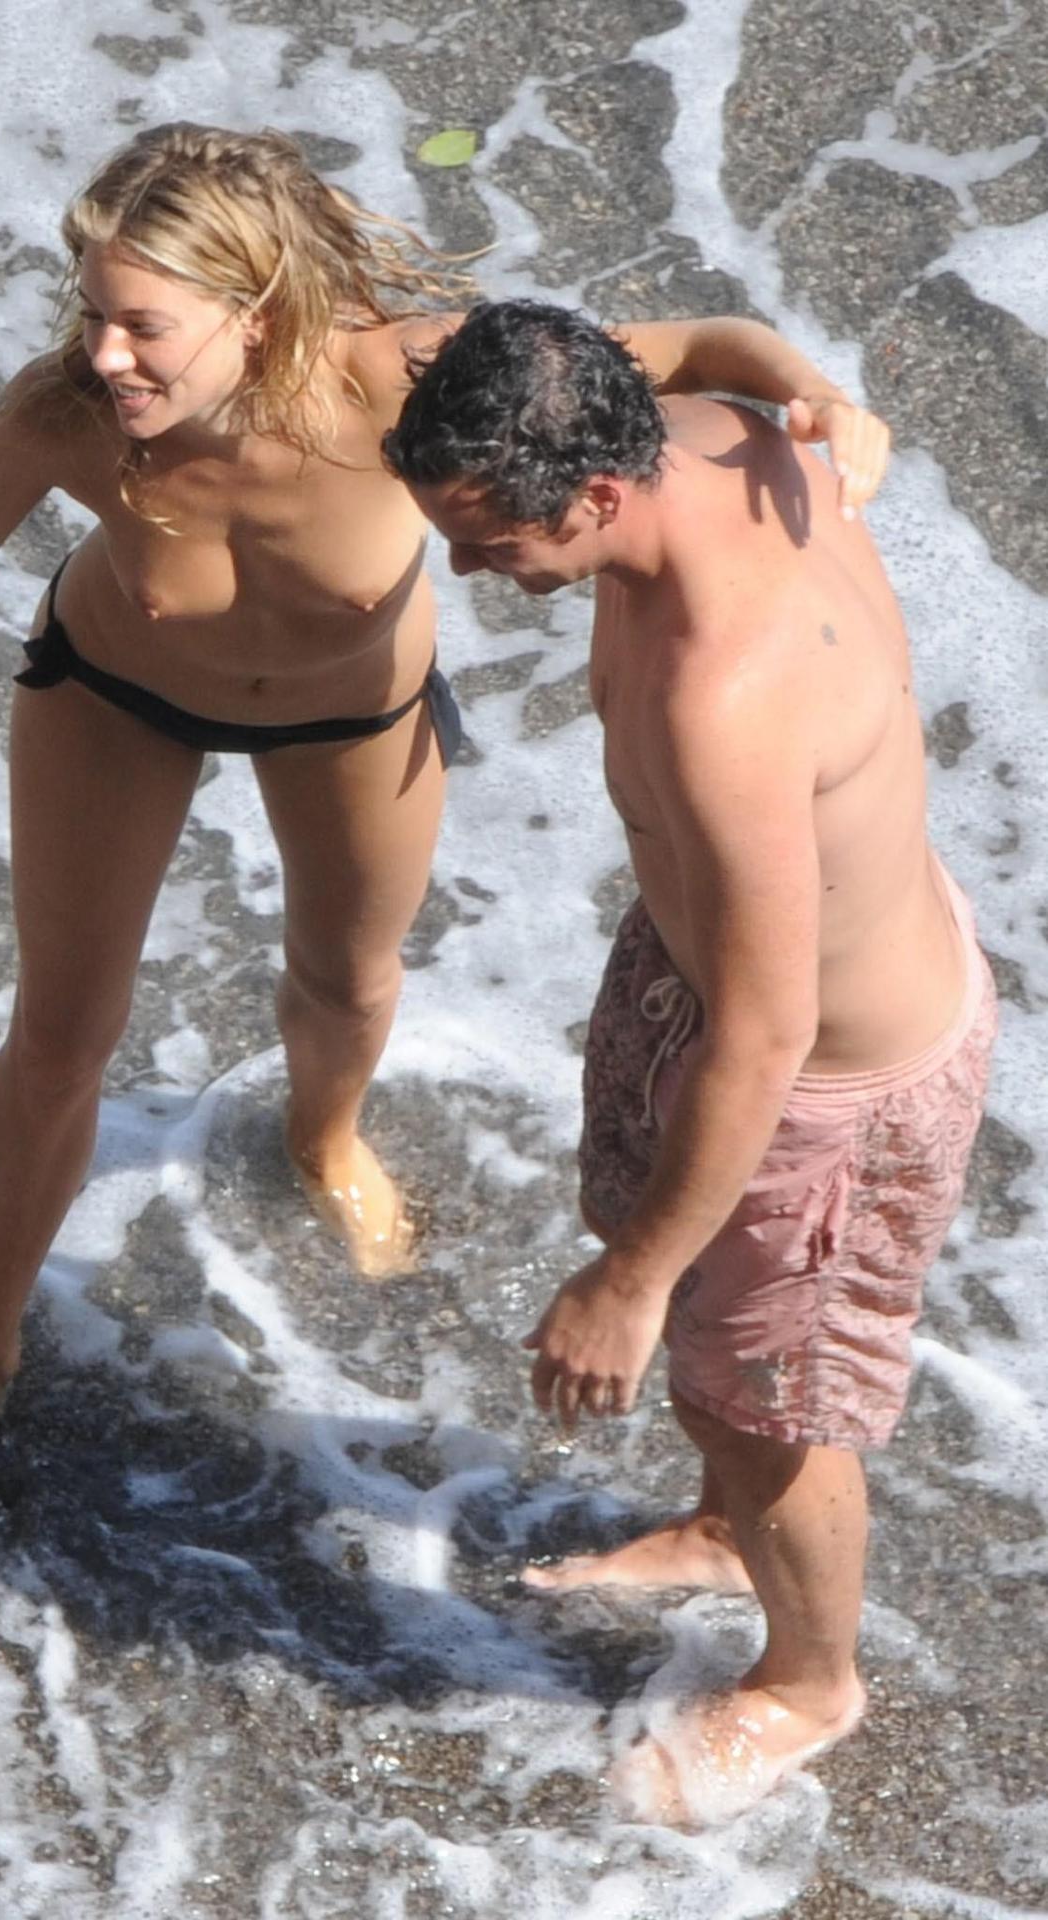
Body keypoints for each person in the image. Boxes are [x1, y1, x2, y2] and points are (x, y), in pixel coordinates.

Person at [0, 123, 890, 1458]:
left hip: (353, 717)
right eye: (94, 313)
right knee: (58, 1043)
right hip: (112, 702)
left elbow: (695, 348)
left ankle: (323, 1139)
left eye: (142, 326)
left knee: (347, 984)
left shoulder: (399, 376)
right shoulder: (63, 416)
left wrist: (818, 393)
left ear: (254, 311)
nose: (103, 353)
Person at [385, 301, 994, 1826]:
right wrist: (809, 380)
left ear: (594, 495)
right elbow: (704, 339)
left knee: (762, 1401)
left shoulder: (721, 690)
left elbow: (768, 1036)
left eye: (486, 544)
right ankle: (726, 1532)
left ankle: (807, 1682)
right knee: (691, 1323)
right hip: (698, 969)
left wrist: (631, 1280)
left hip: (825, 1080)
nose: (470, 572)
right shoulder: (712, 430)